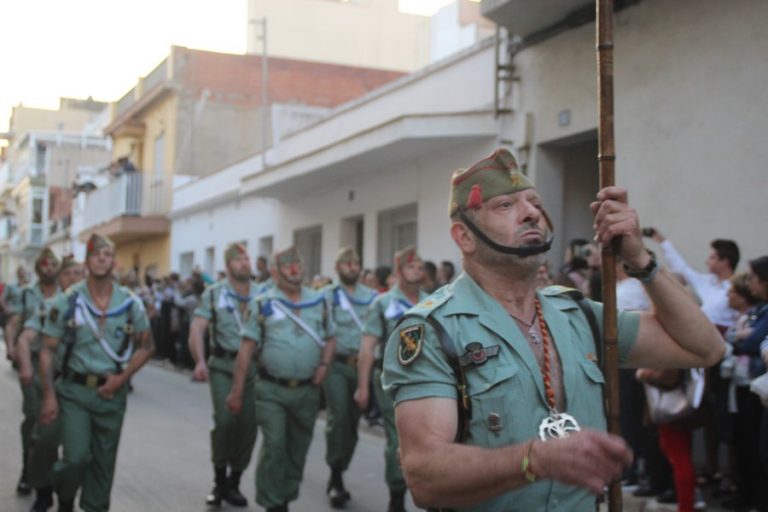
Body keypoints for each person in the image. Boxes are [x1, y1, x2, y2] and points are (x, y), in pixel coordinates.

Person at [382, 149, 725, 511]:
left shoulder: (580, 314)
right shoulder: (434, 330)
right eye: (505, 205)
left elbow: (704, 349)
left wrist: (639, 259)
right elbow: (424, 476)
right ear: (464, 238)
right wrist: (534, 461)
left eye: (534, 202)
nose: (531, 213)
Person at [37, 234, 154, 512]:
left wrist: (122, 379)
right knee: (75, 458)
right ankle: (64, 498)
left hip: (112, 395)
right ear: (87, 261)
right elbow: (46, 350)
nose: (101, 258)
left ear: (114, 262)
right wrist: (49, 396)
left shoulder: (130, 303)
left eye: (107, 254)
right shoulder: (68, 301)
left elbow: (147, 346)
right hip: (74, 392)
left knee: (103, 464)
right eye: (95, 254)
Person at [227, 247, 336, 512]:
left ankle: (284, 496)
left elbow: (330, 337)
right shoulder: (263, 302)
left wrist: (324, 364)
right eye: (287, 266)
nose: (294, 270)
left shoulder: (319, 301)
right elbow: (246, 350)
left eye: (297, 264)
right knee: (275, 445)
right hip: (271, 389)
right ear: (274, 272)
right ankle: (273, 503)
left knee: (297, 448)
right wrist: (237, 391)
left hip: (307, 390)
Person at [188, 243, 260, 508]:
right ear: (228, 265)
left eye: (247, 258)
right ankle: (219, 480)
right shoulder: (214, 294)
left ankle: (235, 481)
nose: (245, 263)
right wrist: (199, 361)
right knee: (226, 420)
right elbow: (197, 329)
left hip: (254, 368)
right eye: (239, 259)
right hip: (223, 365)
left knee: (248, 425)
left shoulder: (263, 294)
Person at [355, 246, 427, 512]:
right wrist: (362, 387)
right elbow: (367, 347)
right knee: (399, 441)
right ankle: (397, 496)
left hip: (426, 383)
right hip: (392, 382)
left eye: (420, 267)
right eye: (410, 267)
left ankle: (430, 494)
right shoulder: (382, 303)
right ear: (398, 271)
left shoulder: (433, 300)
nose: (416, 271)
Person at [18, 254, 84, 511]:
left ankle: (66, 499)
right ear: (60, 277)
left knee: (76, 452)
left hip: (78, 387)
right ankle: (43, 490)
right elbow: (26, 337)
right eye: (68, 274)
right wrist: (24, 365)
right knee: (44, 442)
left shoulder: (94, 308)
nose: (73, 279)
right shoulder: (49, 307)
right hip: (49, 382)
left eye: (78, 274)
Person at [323, 247, 378, 508]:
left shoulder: (373, 297)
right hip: (336, 365)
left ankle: (340, 466)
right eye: (346, 263)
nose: (352, 267)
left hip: (362, 366)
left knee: (353, 423)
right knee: (338, 417)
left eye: (355, 263)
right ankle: (335, 476)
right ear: (337, 268)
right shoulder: (326, 296)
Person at [6, 249, 62, 497]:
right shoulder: (26, 293)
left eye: (53, 265)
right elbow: (14, 322)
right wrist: (10, 346)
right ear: (38, 268)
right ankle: (28, 470)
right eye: (44, 265)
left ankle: (47, 473)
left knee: (53, 422)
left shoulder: (66, 294)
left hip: (60, 366)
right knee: (33, 417)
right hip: (33, 359)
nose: (49, 268)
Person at [721, 256, 768, 511]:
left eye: (753, 278)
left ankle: (759, 498)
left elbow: (753, 342)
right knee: (745, 445)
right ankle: (749, 494)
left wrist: (741, 339)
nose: (750, 283)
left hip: (757, 386)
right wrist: (741, 337)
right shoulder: (758, 312)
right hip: (745, 385)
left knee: (756, 448)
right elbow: (736, 338)